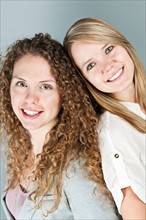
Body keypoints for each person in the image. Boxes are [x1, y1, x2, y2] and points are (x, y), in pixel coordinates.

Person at [0, 33, 120, 220]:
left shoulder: (76, 167)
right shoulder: (18, 148)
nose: (30, 98)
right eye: (21, 84)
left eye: (45, 86)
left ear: (65, 94)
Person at [63, 17, 146, 219]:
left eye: (108, 49)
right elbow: (133, 206)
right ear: (86, 80)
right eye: (91, 65)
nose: (108, 65)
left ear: (122, 43)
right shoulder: (114, 129)